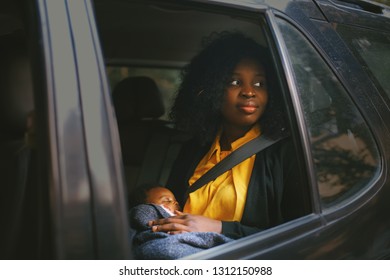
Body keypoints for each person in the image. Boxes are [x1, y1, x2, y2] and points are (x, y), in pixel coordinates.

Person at [149, 31, 308, 239]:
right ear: (212, 89)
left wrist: (219, 228)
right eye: (235, 82)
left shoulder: (288, 153)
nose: (249, 92)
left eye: (259, 84)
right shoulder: (195, 147)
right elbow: (170, 211)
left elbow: (300, 237)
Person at [128, 183, 232, 259]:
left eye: (176, 202)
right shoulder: (144, 211)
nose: (175, 204)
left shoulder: (189, 223)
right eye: (167, 200)